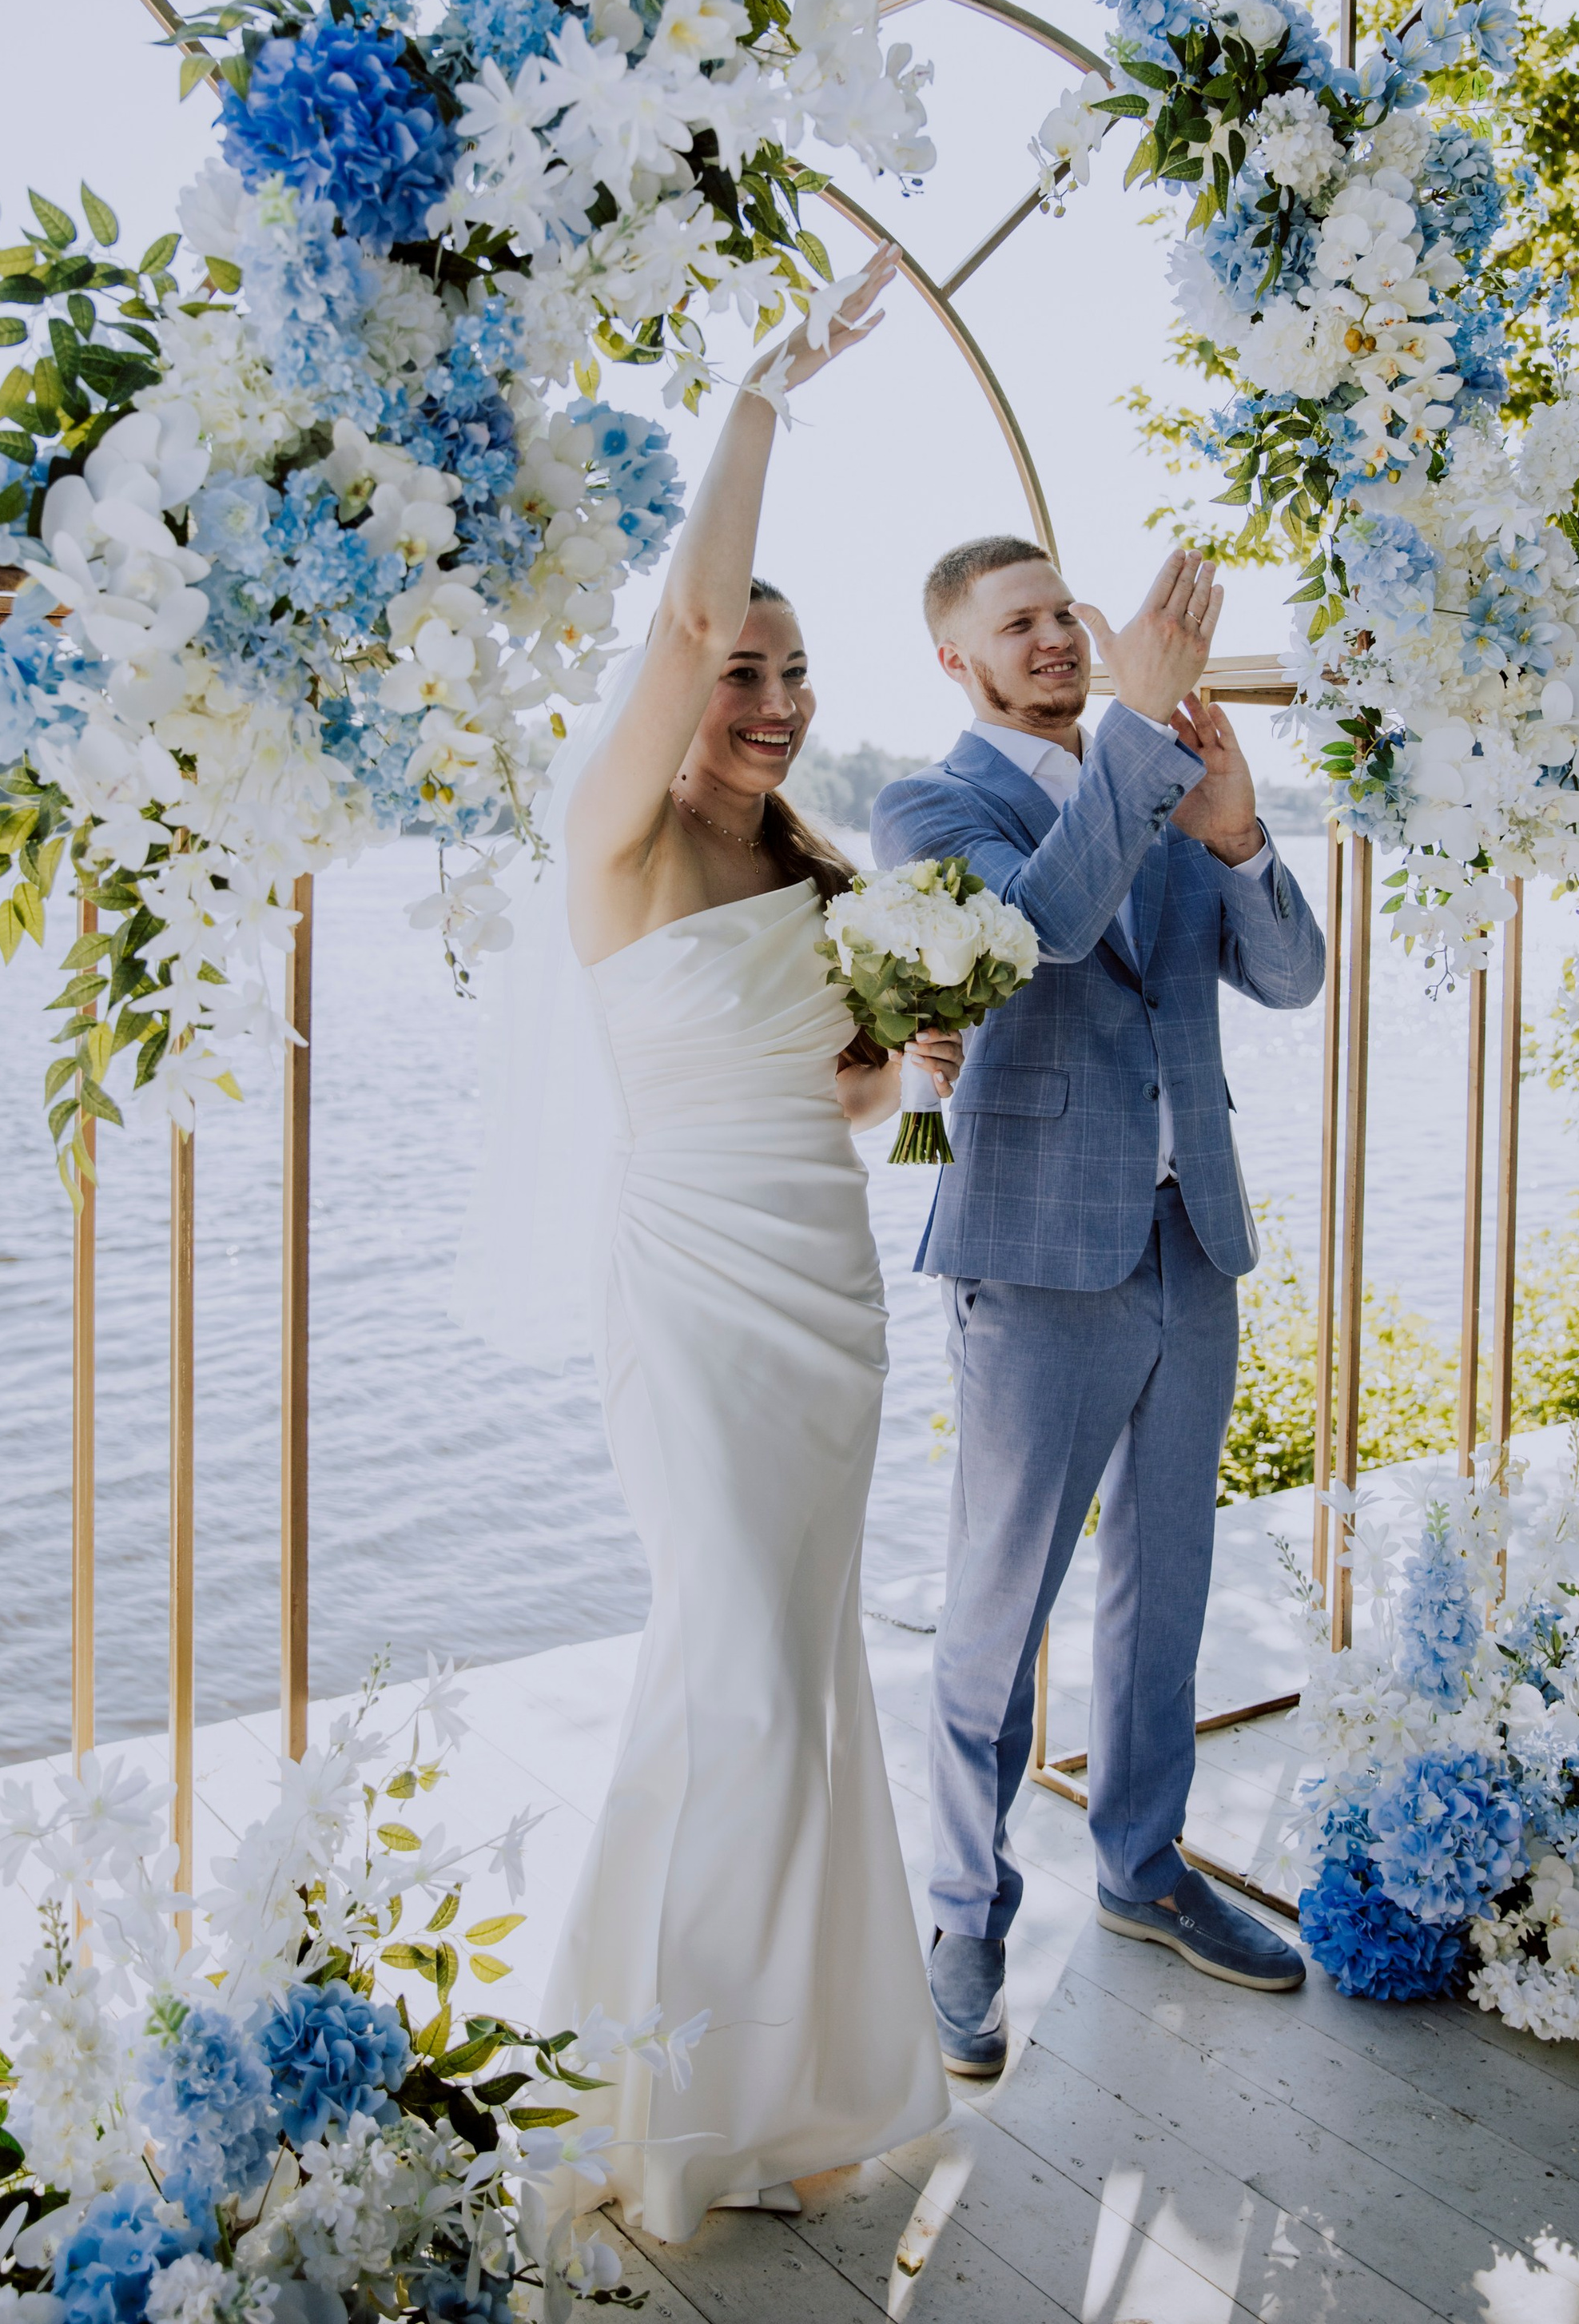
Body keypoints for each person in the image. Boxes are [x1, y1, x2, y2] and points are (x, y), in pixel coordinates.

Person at [533, 246, 954, 2239]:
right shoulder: (619, 831)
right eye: (745, 671)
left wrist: (912, 1053)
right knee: (736, 1679)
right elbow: (692, 597)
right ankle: (653, 2106)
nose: (776, 701)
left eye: (798, 676)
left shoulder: (806, 860)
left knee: (795, 1673)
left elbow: (843, 1101)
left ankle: (782, 2095)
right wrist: (767, 392)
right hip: (693, 1300)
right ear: (682, 680)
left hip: (824, 1301)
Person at [869, 536, 1326, 2079]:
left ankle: (1143, 1865)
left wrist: (1242, 825)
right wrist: (1141, 734)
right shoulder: (928, 808)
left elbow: (1293, 974)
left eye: (1066, 610)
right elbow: (1040, 936)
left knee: (1167, 1583)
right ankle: (963, 1917)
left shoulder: (1164, 768)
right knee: (998, 1619)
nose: (1060, 636)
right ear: (958, 661)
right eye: (1022, 623)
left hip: (1190, 1235)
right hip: (1036, 1252)